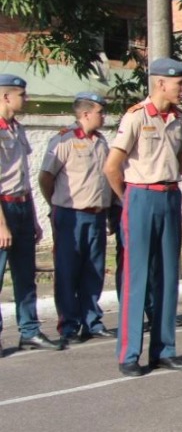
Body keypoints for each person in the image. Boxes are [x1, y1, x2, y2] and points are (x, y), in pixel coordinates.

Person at [104, 58, 182, 375]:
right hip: (139, 197)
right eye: (179, 83)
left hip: (169, 195)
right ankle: (129, 354)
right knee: (137, 276)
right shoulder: (136, 117)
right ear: (160, 83)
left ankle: (164, 349)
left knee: (168, 276)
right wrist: (127, 199)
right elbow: (112, 166)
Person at [38, 91, 114, 345]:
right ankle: (69, 324)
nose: (104, 116)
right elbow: (45, 178)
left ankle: (92, 321)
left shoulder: (102, 142)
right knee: (68, 272)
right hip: (70, 215)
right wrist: (56, 206)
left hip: (96, 216)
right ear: (85, 114)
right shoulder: (64, 140)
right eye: (100, 111)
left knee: (94, 271)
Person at [0, 74, 61, 351]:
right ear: (5, 96)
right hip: (3, 208)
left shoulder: (17, 128)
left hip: (22, 205)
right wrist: (1, 225)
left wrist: (34, 218)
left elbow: (24, 176)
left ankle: (29, 330)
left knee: (25, 273)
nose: (26, 99)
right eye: (22, 95)